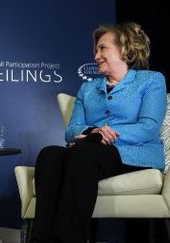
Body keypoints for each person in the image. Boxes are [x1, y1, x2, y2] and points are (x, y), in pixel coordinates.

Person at [32, 22, 167, 243]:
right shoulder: (88, 88)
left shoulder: (151, 80)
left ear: (125, 49)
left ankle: (68, 239)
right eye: (95, 50)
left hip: (133, 153)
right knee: (49, 154)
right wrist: (95, 131)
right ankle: (40, 239)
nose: (96, 56)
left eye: (102, 48)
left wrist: (105, 134)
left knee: (83, 154)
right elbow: (72, 131)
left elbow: (148, 127)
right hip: (91, 152)